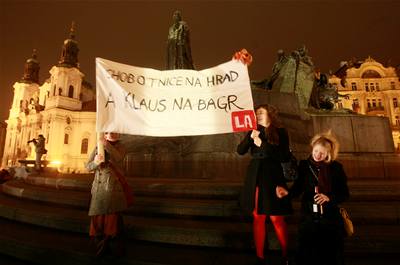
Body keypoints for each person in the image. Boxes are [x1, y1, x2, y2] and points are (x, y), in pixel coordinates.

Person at [237, 104, 292, 265]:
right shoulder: (254, 130)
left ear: (270, 114)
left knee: (276, 218)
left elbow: (284, 156)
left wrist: (263, 144)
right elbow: (240, 151)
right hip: (255, 176)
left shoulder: (281, 131)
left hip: (273, 176)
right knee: (257, 217)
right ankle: (260, 256)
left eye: (261, 112)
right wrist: (250, 137)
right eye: (256, 113)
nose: (258, 115)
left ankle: (285, 255)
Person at [289, 131, 349, 265]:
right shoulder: (304, 165)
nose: (317, 155)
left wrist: (329, 197)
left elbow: (344, 193)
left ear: (328, 154)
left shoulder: (336, 168)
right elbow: (298, 188)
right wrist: (286, 193)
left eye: (322, 153)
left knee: (330, 253)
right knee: (307, 250)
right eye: (315, 151)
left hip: (330, 217)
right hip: (309, 215)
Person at [86, 132, 133, 257]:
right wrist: (95, 162)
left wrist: (107, 145)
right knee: (97, 218)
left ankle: (109, 242)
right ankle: (98, 243)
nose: (110, 134)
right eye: (107, 132)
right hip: (98, 188)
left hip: (112, 187)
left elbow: (118, 158)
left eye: (113, 132)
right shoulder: (97, 146)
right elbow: (88, 166)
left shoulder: (121, 146)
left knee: (111, 217)